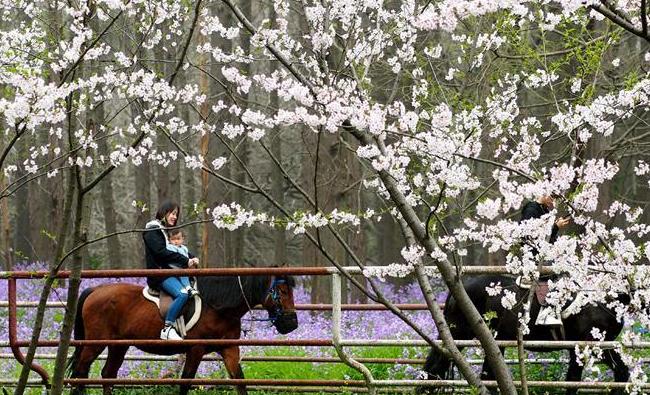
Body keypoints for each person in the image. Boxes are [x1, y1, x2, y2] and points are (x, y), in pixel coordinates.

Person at [143, 201, 200, 340]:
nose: (175, 217)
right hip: (160, 275)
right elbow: (161, 252)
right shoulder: (152, 230)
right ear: (164, 212)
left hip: (170, 273)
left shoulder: (164, 230)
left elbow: (178, 249)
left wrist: (192, 258)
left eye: (176, 214)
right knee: (183, 294)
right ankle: (167, 328)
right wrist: (185, 261)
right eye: (173, 213)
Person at [520, 194, 570, 327]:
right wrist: (555, 227)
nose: (553, 201)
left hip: (544, 255)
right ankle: (547, 311)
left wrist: (555, 226)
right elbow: (529, 237)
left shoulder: (544, 210)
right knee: (554, 273)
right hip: (534, 258)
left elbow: (547, 237)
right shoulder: (531, 210)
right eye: (551, 197)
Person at [167, 229, 199, 297]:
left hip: (183, 266)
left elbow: (187, 256)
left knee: (190, 273)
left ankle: (192, 286)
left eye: (178, 239)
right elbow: (177, 257)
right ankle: (188, 288)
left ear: (182, 239)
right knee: (183, 273)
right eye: (173, 239)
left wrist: (193, 259)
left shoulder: (184, 248)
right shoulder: (170, 248)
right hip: (174, 267)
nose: (176, 241)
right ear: (169, 240)